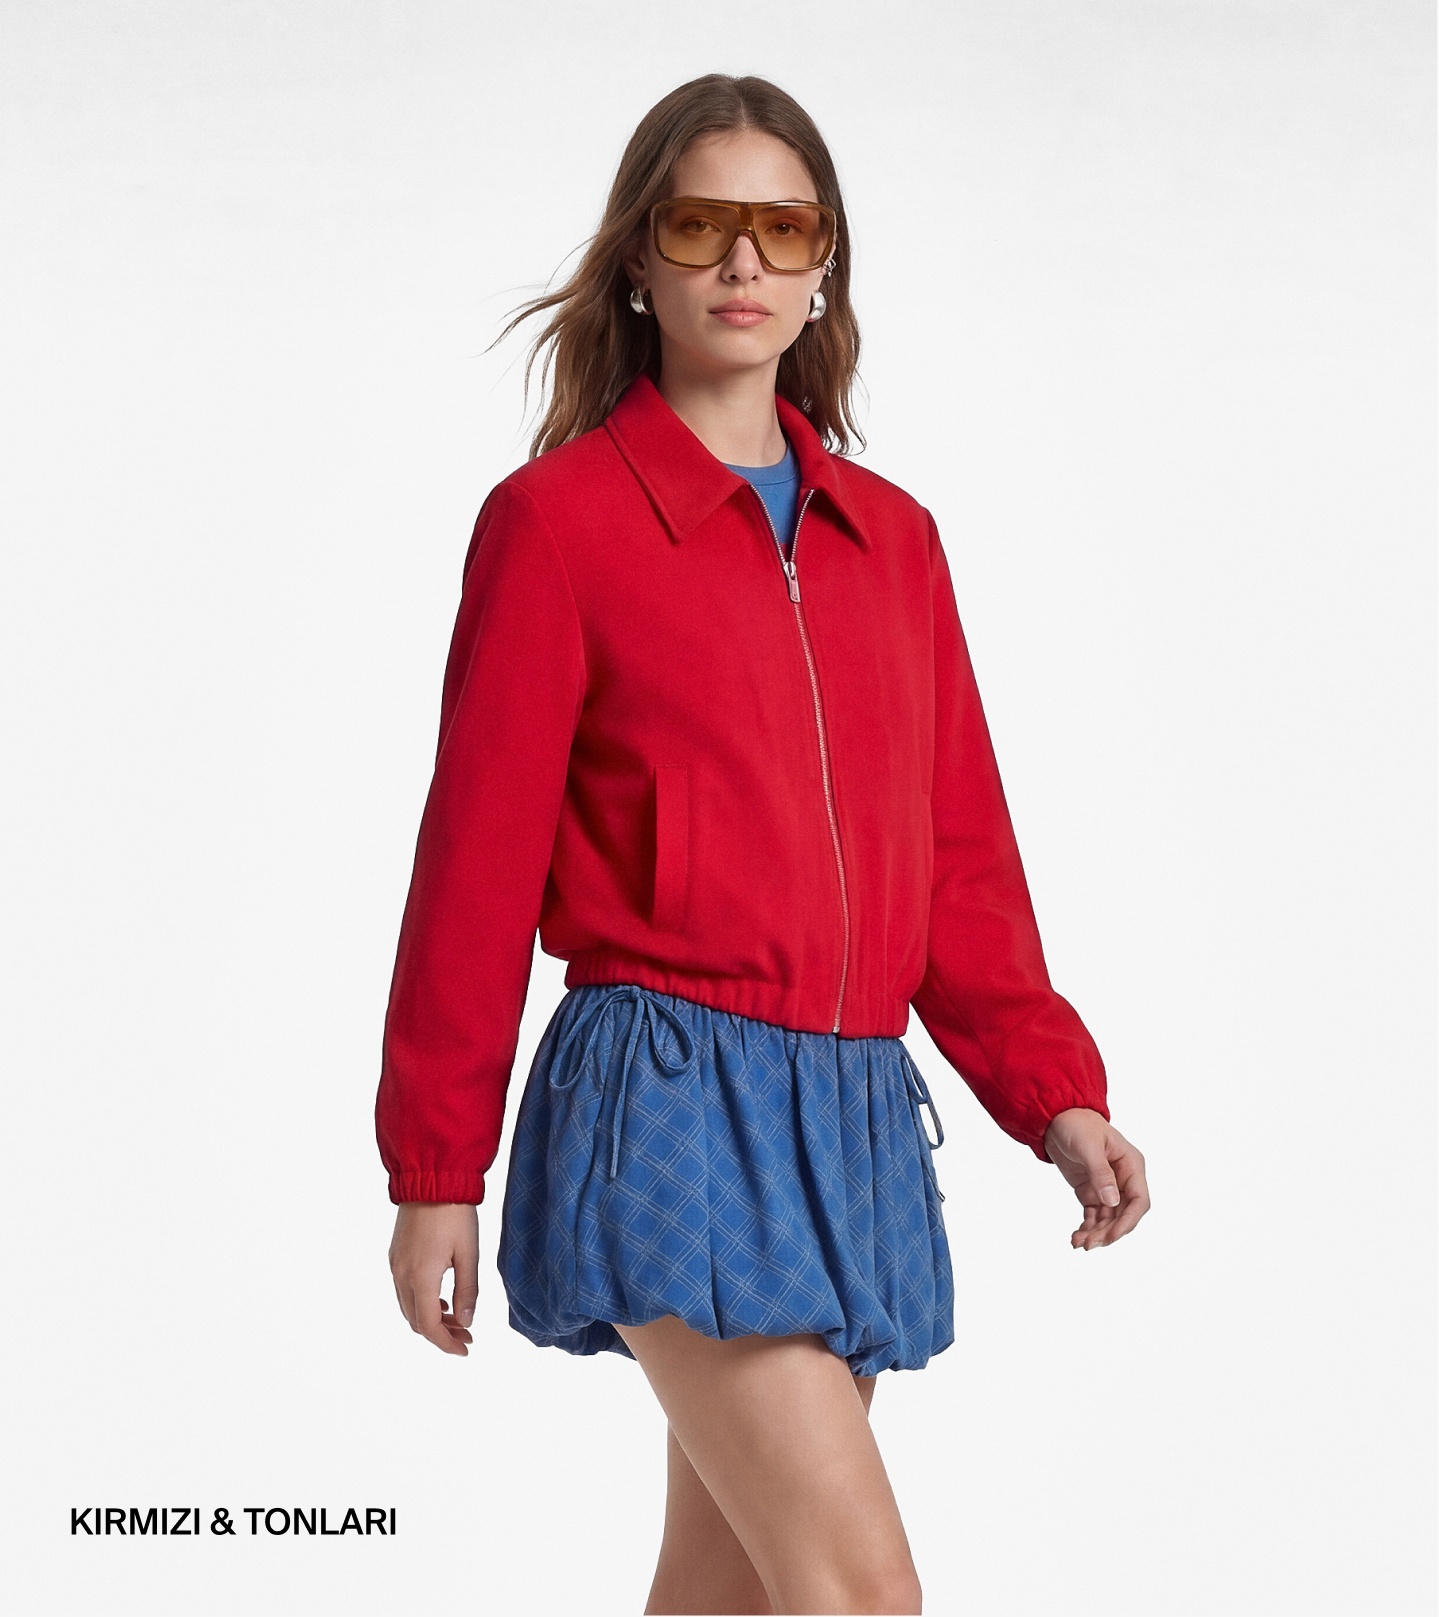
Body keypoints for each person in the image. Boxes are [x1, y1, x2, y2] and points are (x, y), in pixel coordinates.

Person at [376, 72, 1150, 1617]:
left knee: (726, 1594)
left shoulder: (894, 540)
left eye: (782, 229)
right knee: (861, 1590)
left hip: (848, 1108)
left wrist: (1052, 1088)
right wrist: (436, 1166)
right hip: (666, 1090)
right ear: (640, 260)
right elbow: (474, 864)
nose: (742, 261)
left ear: (821, 268)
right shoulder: (559, 524)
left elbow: (958, 855)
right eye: (700, 224)